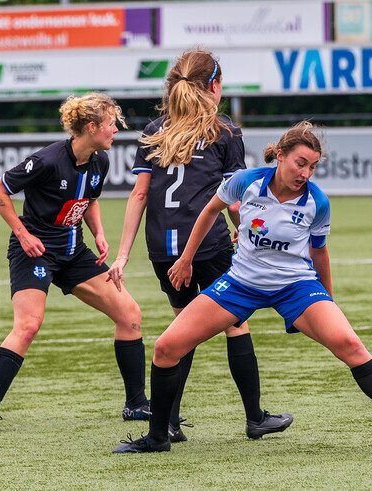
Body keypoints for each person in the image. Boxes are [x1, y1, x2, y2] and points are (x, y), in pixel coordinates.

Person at [112, 121, 372, 454]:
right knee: (167, 347)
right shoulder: (246, 182)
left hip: (295, 287)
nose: (306, 173)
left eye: (312, 166)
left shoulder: (317, 202)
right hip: (240, 283)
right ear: (280, 156)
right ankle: (158, 437)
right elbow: (211, 211)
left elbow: (319, 252)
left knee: (350, 344)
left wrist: (328, 299)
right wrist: (186, 259)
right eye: (300, 163)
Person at [106, 49, 292, 443]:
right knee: (236, 323)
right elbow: (234, 198)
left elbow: (139, 196)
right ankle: (255, 417)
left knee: (181, 328)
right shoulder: (224, 132)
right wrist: (244, 231)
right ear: (213, 86)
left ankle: (169, 421)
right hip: (206, 245)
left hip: (162, 248)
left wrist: (123, 253)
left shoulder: (155, 128)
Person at [0, 93, 152, 432]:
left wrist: (98, 233)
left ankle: (136, 404)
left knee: (130, 315)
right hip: (35, 253)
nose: (116, 130)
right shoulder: (47, 160)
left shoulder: (100, 161)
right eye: (112, 124)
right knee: (28, 325)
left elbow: (90, 201)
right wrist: (23, 235)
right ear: (92, 127)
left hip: (75, 254)